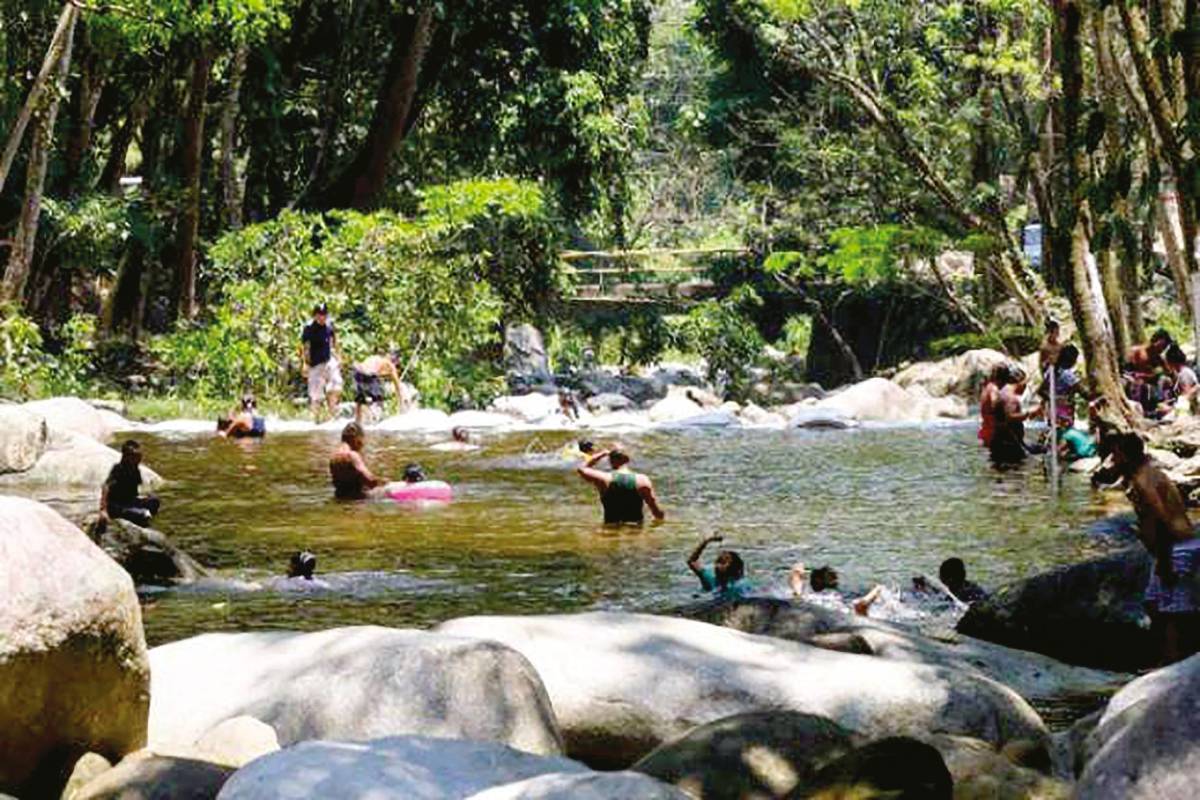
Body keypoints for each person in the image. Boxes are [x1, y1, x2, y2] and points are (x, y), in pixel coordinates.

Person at [1109, 432, 1200, 664]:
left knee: (1173, 613)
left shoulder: (1143, 480)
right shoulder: (1148, 474)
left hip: (1175, 547)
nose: (1113, 460)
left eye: (1116, 455)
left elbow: (1161, 518)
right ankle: (1166, 658)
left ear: (1127, 456)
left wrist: (1165, 559)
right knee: (1153, 603)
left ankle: (1174, 663)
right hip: (1171, 546)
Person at [575, 445, 665, 524]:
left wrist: (602, 454)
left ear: (610, 461)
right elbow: (657, 512)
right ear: (628, 459)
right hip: (635, 531)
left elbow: (581, 468)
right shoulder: (643, 480)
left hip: (610, 531)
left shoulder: (604, 479)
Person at [99, 440, 160, 528]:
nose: (140, 459)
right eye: (136, 456)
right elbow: (106, 487)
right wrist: (103, 510)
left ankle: (139, 514)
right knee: (142, 515)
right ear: (126, 457)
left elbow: (136, 490)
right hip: (116, 505)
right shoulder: (118, 469)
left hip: (129, 501)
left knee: (154, 501)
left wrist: (145, 498)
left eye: (140, 456)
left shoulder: (136, 470)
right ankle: (137, 515)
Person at [301, 302, 343, 421]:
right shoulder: (309, 328)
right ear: (315, 316)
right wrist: (305, 363)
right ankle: (314, 418)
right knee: (316, 395)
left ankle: (333, 413)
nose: (322, 317)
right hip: (315, 363)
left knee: (336, 385)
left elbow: (334, 342)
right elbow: (305, 347)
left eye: (324, 314)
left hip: (329, 360)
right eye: (319, 315)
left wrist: (339, 357)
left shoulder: (329, 326)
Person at [990, 368, 1042, 464]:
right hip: (1008, 444)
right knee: (1015, 475)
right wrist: (1029, 413)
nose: (1025, 387)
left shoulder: (1003, 392)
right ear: (1020, 382)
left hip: (1003, 441)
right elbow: (1010, 417)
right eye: (1025, 383)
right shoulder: (1010, 397)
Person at [789, 563, 883, 616]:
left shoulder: (809, 596)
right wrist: (877, 588)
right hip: (842, 609)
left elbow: (796, 575)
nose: (837, 578)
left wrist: (798, 572)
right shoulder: (840, 595)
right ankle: (863, 605)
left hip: (818, 608)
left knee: (798, 598)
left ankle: (862, 605)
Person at [329, 422, 389, 500]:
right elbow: (370, 481)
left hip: (339, 498)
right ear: (356, 438)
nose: (362, 445)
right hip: (356, 501)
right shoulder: (352, 455)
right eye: (362, 440)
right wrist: (386, 483)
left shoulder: (334, 456)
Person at [687, 534, 752, 599]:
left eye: (723, 563)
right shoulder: (709, 577)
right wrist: (706, 542)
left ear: (733, 569)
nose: (718, 566)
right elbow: (691, 562)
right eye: (718, 562)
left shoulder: (740, 585)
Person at [353, 353, 404, 424]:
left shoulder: (375, 357)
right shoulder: (390, 365)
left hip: (358, 372)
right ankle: (373, 420)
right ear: (395, 362)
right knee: (377, 398)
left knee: (360, 399)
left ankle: (358, 421)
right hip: (369, 374)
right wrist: (401, 405)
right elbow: (398, 386)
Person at [1041, 344, 1083, 429]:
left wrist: (1053, 399)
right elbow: (1084, 393)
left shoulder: (1051, 371)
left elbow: (1041, 390)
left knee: (1055, 435)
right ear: (1072, 360)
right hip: (1065, 413)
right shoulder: (1068, 375)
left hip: (1052, 412)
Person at [1160, 344, 1199, 417]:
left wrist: (1170, 409)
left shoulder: (1184, 374)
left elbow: (1187, 397)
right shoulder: (1181, 373)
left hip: (1190, 413)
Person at [978, 364, 1011, 448]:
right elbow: (995, 404)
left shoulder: (987, 388)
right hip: (993, 433)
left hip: (985, 431)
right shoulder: (994, 389)